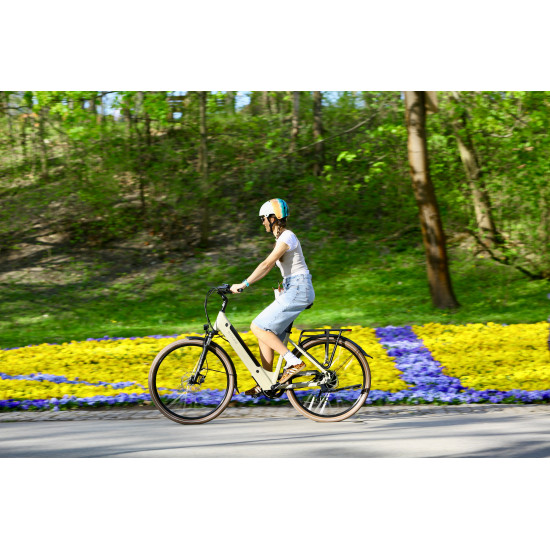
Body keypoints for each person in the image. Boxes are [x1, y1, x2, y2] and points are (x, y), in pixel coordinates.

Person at [230, 198, 315, 396]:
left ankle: (294, 362)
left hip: (299, 289)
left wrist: (244, 284)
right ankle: (266, 380)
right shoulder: (282, 238)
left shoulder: (288, 237)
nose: (262, 223)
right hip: (294, 288)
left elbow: (266, 265)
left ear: (272, 218)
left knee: (257, 326)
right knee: (265, 331)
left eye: (263, 219)